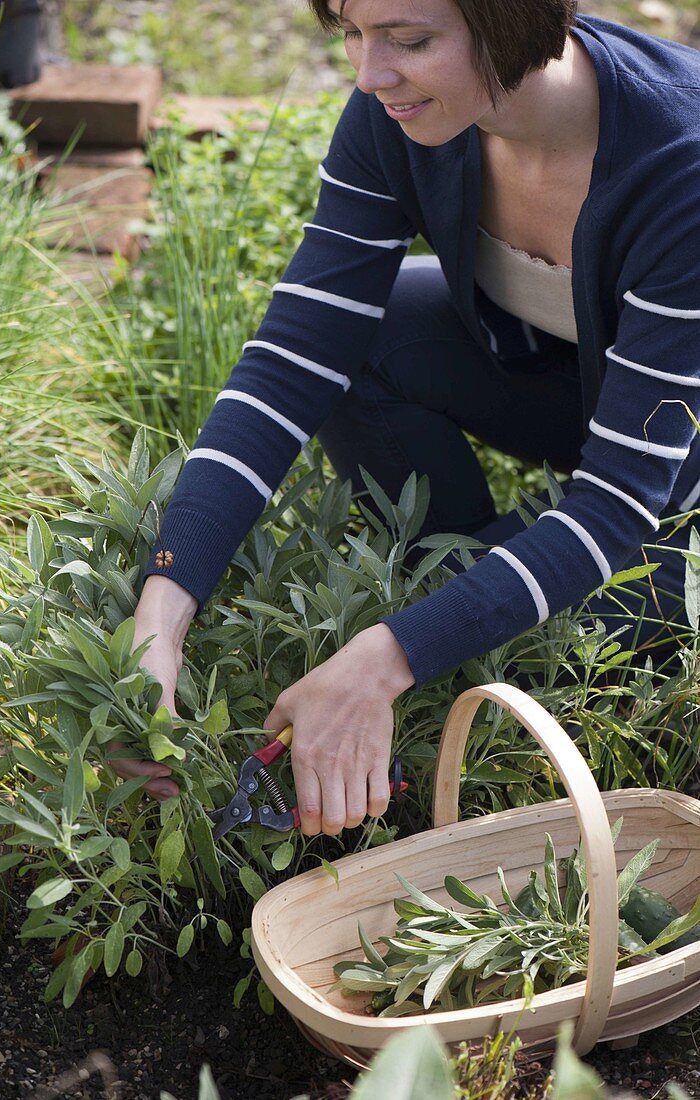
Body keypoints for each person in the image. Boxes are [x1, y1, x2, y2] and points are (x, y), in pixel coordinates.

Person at [109, 0, 700, 837]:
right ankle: (457, 580)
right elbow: (289, 363)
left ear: (513, 19)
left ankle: (458, 626)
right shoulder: (402, 114)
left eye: (411, 41)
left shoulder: (681, 165)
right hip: (576, 388)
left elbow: (616, 506)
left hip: (681, 472)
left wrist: (384, 661)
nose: (368, 74)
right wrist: (160, 617)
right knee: (363, 341)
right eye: (353, 34)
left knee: (512, 646)